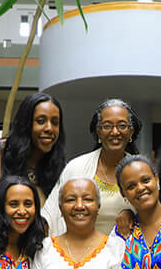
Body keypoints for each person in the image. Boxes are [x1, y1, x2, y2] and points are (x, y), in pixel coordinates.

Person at [41, 98, 142, 235]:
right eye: (107, 126)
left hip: (130, 253)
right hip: (81, 253)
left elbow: (153, 213)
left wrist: (131, 215)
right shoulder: (76, 167)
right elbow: (51, 214)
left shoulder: (140, 170)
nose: (115, 132)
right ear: (98, 132)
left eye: (122, 125)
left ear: (130, 132)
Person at [0, 92, 65, 202]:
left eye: (55, 123)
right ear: (26, 123)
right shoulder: (3, 151)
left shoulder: (60, 166)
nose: (49, 128)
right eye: (41, 121)